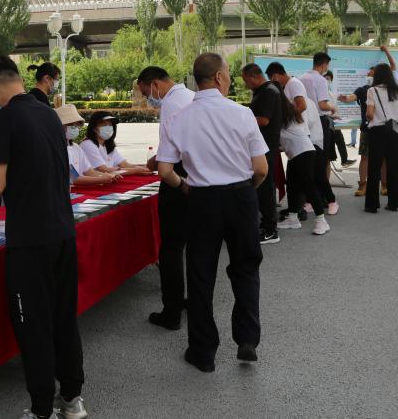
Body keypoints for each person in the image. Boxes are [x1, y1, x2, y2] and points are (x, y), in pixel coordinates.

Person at [0, 57, 85, 419]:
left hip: (30, 240)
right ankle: (72, 398)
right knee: (63, 317)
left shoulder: (3, 120)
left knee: (32, 325)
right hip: (63, 232)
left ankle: (43, 417)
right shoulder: (48, 115)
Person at [157, 53, 269, 373]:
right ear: (219, 77)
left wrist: (184, 186)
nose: (230, 78)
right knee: (245, 268)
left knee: (201, 275)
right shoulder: (242, 113)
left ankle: (203, 351)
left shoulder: (179, 118)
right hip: (241, 197)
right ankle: (247, 340)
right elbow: (261, 168)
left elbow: (164, 170)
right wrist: (247, 189)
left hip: (202, 200)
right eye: (229, 73)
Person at [137, 65, 195, 331]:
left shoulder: (171, 103)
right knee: (191, 245)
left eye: (145, 92)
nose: (148, 98)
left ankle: (171, 311)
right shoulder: (190, 96)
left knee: (171, 247)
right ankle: (190, 300)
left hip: (178, 179)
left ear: (155, 84)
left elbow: (170, 155)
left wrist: (161, 166)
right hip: (198, 174)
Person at [266, 63, 333, 232]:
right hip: (296, 153)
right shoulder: (286, 109)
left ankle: (321, 221)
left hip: (303, 152)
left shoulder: (285, 111)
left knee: (308, 186)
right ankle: (293, 218)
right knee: (293, 185)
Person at [337, 46, 396, 197]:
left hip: (383, 128)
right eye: (369, 72)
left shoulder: (386, 89)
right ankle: (363, 185)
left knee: (384, 158)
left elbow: (393, 67)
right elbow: (351, 97)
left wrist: (387, 51)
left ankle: (384, 185)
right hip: (367, 129)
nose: (370, 74)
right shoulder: (363, 89)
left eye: (373, 72)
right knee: (365, 157)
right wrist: (343, 98)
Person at [241, 63, 283, 245]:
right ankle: (265, 224)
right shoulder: (265, 91)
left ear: (254, 76)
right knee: (262, 187)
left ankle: (270, 229)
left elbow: (264, 120)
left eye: (246, 80)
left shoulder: (268, 92)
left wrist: (240, 117)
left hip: (266, 147)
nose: (245, 84)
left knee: (265, 188)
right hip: (263, 146)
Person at [364, 63, 398, 213]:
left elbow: (370, 114)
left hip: (378, 132)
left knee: (374, 168)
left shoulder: (372, 90)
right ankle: (395, 202)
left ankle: (372, 205)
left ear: (377, 75)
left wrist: (368, 119)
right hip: (395, 132)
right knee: (393, 168)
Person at [301, 52, 340, 217]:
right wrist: (333, 108)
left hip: (304, 123)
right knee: (320, 163)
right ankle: (328, 199)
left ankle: (311, 200)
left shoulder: (302, 79)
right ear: (324, 64)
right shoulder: (320, 80)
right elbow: (323, 105)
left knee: (308, 164)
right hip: (320, 124)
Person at [55, 104, 124, 187]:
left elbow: (89, 171)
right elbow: (74, 178)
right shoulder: (57, 149)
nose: (75, 128)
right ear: (59, 126)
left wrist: (110, 176)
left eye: (76, 125)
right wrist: (101, 179)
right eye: (71, 125)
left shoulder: (75, 147)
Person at [80, 111, 152, 176]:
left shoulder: (108, 145)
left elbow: (124, 164)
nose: (108, 127)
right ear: (94, 128)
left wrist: (144, 168)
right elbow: (104, 170)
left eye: (110, 125)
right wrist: (137, 170)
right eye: (104, 125)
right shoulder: (88, 144)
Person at [323, 70, 356, 167]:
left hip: (334, 122)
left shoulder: (331, 93)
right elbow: (321, 110)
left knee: (340, 140)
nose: (327, 80)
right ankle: (342, 161)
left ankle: (344, 160)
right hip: (326, 123)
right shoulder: (320, 94)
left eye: (329, 79)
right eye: (325, 78)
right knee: (335, 142)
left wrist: (346, 97)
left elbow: (342, 99)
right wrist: (332, 116)